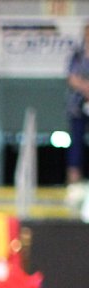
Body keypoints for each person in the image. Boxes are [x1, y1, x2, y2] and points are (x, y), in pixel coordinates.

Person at [68, 24, 89, 185]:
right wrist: (85, 87)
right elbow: (72, 78)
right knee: (76, 141)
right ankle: (74, 181)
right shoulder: (77, 56)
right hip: (78, 106)